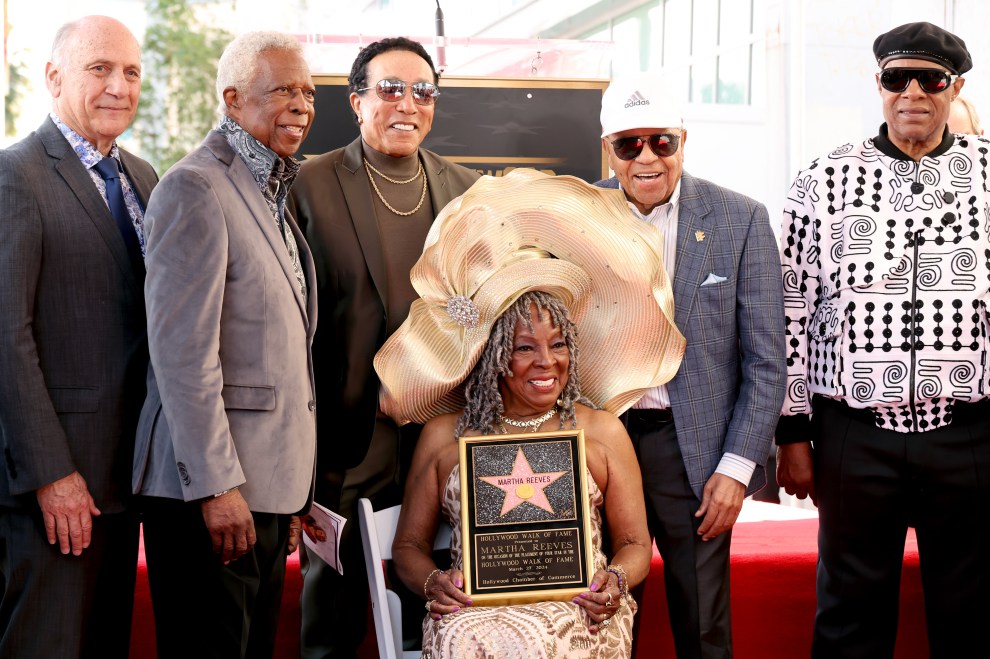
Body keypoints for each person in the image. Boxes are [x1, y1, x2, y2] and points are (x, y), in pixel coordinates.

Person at [374, 169, 686, 658]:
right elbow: (409, 548)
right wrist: (435, 582)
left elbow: (634, 543)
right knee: (465, 635)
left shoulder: (601, 430)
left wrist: (615, 579)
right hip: (471, 613)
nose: (548, 363)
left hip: (581, 606)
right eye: (524, 348)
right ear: (492, 354)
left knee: (554, 635)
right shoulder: (444, 436)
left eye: (559, 345)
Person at [777, 21, 990, 658]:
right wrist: (792, 432)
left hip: (971, 431)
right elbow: (789, 309)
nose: (914, 92)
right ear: (879, 85)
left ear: (954, 88)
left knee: (972, 611)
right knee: (850, 612)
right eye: (899, 78)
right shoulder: (823, 180)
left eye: (931, 79)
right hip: (854, 434)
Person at [287, 36, 480, 658]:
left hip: (443, 431)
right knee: (334, 609)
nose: (407, 104)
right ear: (356, 101)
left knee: (442, 604)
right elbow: (289, 324)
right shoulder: (308, 185)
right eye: (390, 89)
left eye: (423, 92)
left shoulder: (467, 191)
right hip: (349, 433)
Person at [132, 31, 317, 659]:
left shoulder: (273, 193)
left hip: (262, 492)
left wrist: (289, 493)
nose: (301, 105)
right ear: (233, 100)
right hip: (210, 495)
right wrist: (216, 488)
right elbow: (182, 356)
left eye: (309, 92)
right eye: (284, 90)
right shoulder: (194, 188)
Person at [595, 73, 787, 658]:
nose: (647, 157)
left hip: (696, 452)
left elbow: (766, 361)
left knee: (702, 623)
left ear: (683, 138)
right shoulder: (575, 215)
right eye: (630, 144)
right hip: (603, 446)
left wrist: (736, 466)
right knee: (599, 616)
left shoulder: (740, 219)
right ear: (610, 149)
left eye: (661, 141)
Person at [0, 16, 157, 658]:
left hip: (128, 485)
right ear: (54, 78)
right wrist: (52, 474)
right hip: (54, 493)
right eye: (99, 69)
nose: (118, 86)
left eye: (130, 72)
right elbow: (7, 338)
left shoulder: (144, 178)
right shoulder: (17, 176)